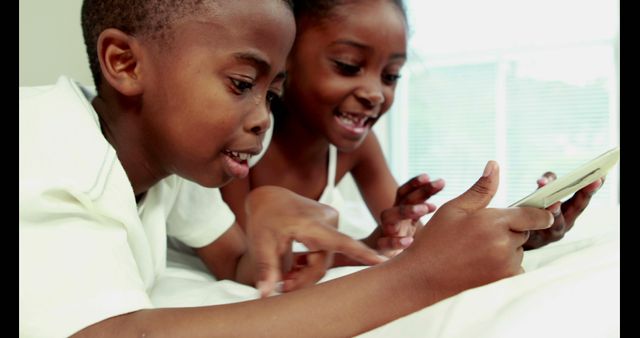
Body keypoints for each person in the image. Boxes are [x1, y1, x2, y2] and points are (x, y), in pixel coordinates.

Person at [18, 0, 603, 337]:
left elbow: (244, 268)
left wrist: (282, 229)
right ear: (124, 62)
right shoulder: (48, 146)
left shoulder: (170, 167)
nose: (261, 119)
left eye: (271, 95)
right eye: (242, 85)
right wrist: (421, 277)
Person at [220, 0, 600, 291]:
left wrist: (522, 232)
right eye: (348, 65)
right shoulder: (240, 140)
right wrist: (363, 247)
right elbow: (247, 265)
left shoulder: (356, 148)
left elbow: (416, 242)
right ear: (283, 54)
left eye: (391, 76)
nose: (375, 93)